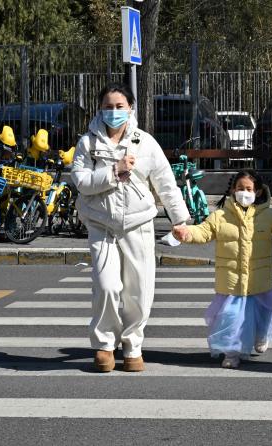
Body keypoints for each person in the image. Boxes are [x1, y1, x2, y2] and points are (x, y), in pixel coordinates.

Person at [71, 83, 190, 372]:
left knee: (139, 291)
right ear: (100, 109)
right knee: (106, 286)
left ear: (130, 109)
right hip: (102, 225)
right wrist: (114, 171)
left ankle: (133, 346)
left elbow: (165, 183)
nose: (113, 112)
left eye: (119, 106)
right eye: (108, 107)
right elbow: (82, 183)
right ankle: (104, 345)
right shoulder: (88, 144)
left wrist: (180, 220)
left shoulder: (145, 142)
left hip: (139, 224)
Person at [172, 170, 272, 368]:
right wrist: (186, 233)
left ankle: (261, 336)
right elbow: (202, 232)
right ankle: (232, 353)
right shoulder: (219, 216)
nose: (244, 193)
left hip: (259, 282)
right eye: (240, 188)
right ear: (232, 190)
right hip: (231, 283)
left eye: (248, 189)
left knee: (264, 315)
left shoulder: (270, 216)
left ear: (258, 192)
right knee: (231, 320)